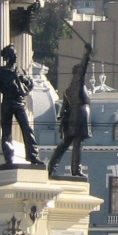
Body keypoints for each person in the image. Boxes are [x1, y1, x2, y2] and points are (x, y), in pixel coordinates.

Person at [0, 44, 43, 167]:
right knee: (7, 132)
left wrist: (25, 81)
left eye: (16, 55)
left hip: (20, 103)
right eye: (13, 55)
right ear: (7, 58)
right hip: (7, 102)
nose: (15, 57)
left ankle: (33, 156)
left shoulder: (21, 70)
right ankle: (9, 158)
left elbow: (30, 85)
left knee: (27, 129)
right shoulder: (1, 72)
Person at [47, 44, 92, 178]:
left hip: (71, 116)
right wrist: (86, 54)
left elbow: (64, 108)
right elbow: (83, 68)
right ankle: (76, 169)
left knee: (65, 143)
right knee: (77, 143)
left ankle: (52, 166)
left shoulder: (68, 89)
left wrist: (63, 121)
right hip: (79, 116)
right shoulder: (77, 83)